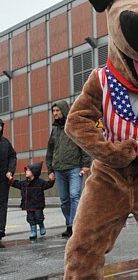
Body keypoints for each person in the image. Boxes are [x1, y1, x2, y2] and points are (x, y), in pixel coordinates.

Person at [46, 101, 92, 238]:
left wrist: (85, 164)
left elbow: (83, 145)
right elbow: (50, 151)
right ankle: (69, 224)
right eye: (53, 111)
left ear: (64, 110)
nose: (55, 113)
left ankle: (75, 224)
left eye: (57, 110)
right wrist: (50, 170)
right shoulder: (54, 130)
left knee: (74, 195)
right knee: (64, 200)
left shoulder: (73, 127)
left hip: (74, 168)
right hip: (59, 170)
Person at [9, 162, 54, 239]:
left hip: (37, 204)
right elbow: (17, 184)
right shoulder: (24, 183)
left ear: (34, 172)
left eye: (28, 170)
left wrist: (51, 180)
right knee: (30, 218)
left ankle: (41, 225)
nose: (26, 172)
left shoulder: (40, 182)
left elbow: (48, 185)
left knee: (39, 217)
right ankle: (33, 231)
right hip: (28, 205)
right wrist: (11, 179)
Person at [0, 119, 17, 241]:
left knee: (2, 204)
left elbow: (12, 156)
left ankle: (1, 229)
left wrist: (10, 171)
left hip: (2, 180)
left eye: (0, 126)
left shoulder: (5, 143)